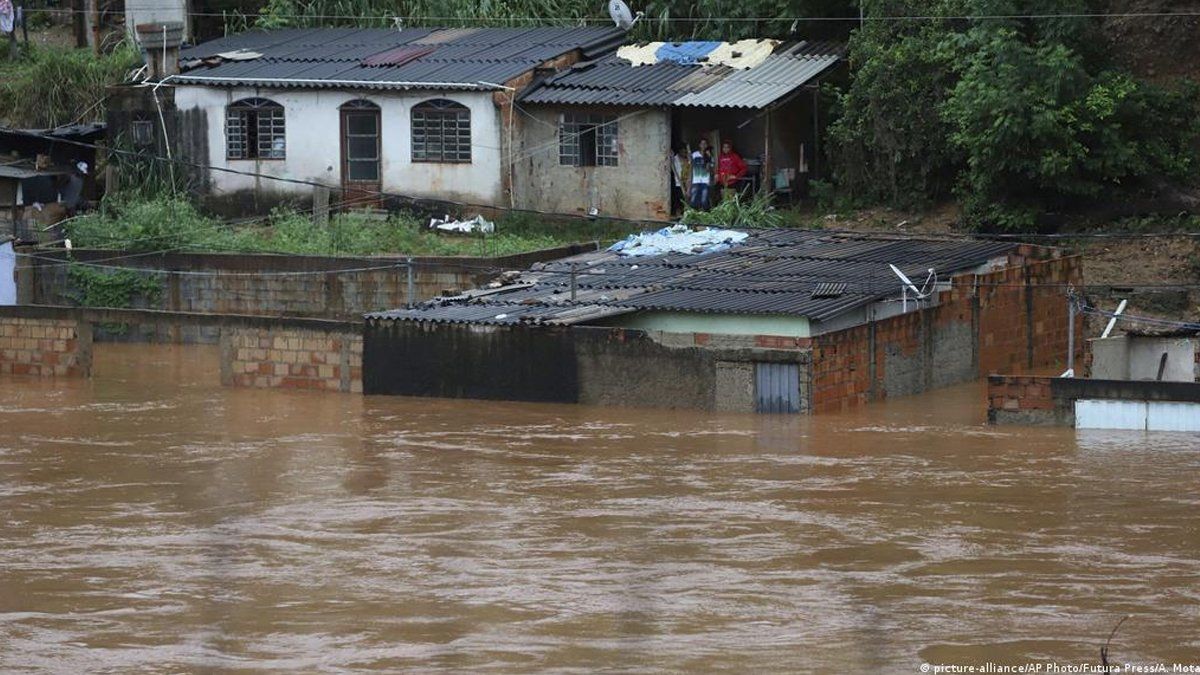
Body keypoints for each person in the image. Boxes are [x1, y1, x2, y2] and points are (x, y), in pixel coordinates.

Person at [688, 139, 713, 210]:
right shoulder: (694, 155)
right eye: (702, 144)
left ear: (707, 145)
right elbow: (691, 168)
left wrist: (709, 158)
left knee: (704, 201)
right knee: (693, 201)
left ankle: (705, 217)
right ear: (699, 145)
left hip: (705, 182)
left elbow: (709, 170)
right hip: (695, 181)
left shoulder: (710, 156)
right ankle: (694, 217)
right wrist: (689, 181)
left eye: (705, 144)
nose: (703, 145)